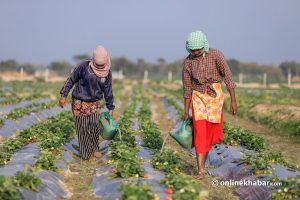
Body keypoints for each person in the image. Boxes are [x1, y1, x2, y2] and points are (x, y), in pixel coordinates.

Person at [182, 31, 237, 179]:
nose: (196, 52)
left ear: (204, 45)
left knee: (209, 133)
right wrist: (186, 111)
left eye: (198, 49)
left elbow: (228, 76)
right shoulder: (188, 62)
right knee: (200, 131)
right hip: (198, 96)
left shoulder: (216, 55)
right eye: (193, 50)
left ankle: (203, 164)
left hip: (214, 97)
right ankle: (200, 170)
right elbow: (187, 87)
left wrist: (233, 100)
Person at [59, 45, 115, 161]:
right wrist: (64, 95)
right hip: (80, 102)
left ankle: (94, 149)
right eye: (97, 65)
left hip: (95, 103)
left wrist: (110, 107)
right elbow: (71, 79)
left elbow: (108, 90)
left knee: (94, 127)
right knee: (82, 129)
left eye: (101, 65)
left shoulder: (107, 73)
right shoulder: (83, 66)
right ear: (93, 60)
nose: (99, 67)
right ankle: (87, 154)